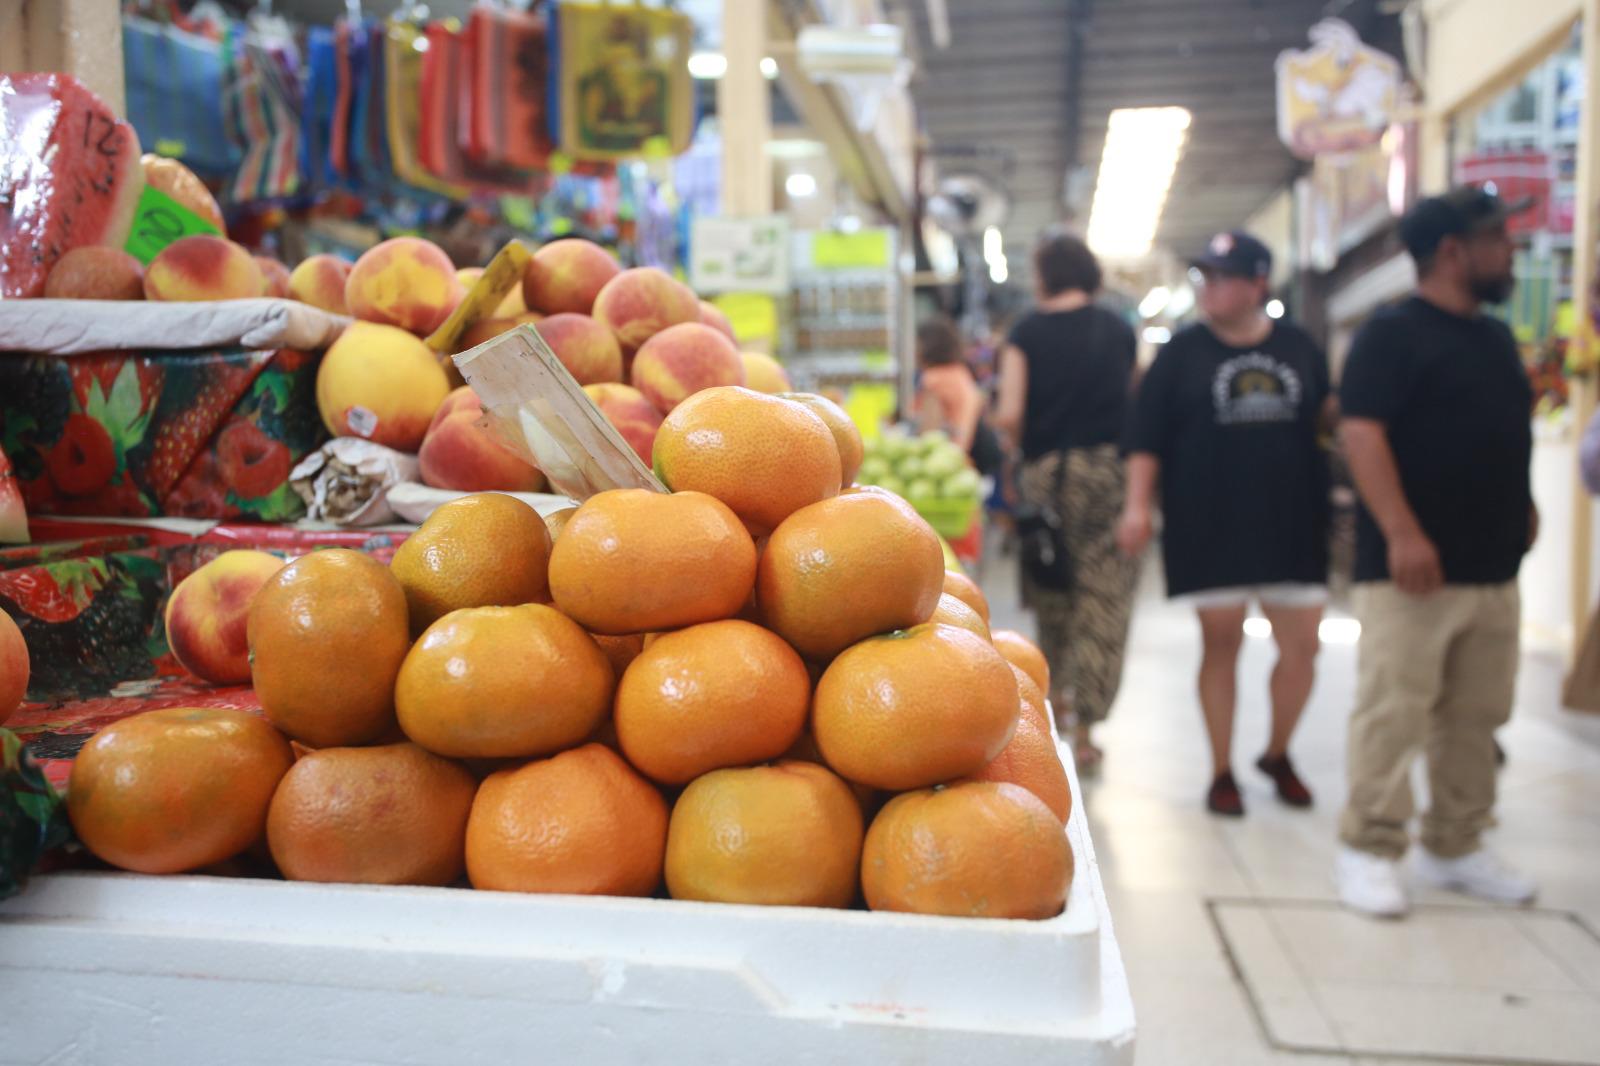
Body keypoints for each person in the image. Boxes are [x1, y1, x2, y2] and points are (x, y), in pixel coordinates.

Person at [1334, 186, 1539, 918]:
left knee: (1478, 713)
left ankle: (1455, 841)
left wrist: (1524, 505)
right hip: (1411, 572)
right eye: (1497, 240)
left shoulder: (1490, 337)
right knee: (1395, 709)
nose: (1508, 253)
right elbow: (1363, 435)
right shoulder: (1391, 335)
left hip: (1492, 567)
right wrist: (1402, 532)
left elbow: (1501, 433)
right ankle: (1369, 844)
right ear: (1453, 251)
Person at [1119, 231, 1332, 816]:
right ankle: (1221, 771)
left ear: (1258, 283)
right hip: (1209, 521)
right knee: (1221, 644)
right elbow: (1146, 439)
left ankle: (1278, 751)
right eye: (1205, 276)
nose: (1210, 287)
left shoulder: (1298, 347)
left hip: (1292, 521)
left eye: (1223, 276)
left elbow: (1328, 417)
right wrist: (1137, 505)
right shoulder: (1181, 353)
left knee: (1304, 649)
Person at [995, 230, 1139, 770]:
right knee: (1104, 597)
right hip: (1109, 472)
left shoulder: (1027, 331)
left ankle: (1054, 716)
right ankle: (1087, 731)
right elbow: (1134, 398)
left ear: (1044, 276)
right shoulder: (1117, 328)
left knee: (1053, 595)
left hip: (1047, 478)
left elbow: (1010, 414)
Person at [913, 316, 984, 453]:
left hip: (940, 460)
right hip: (960, 460)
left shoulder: (935, 379)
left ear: (927, 346)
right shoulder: (962, 373)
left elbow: (928, 435)